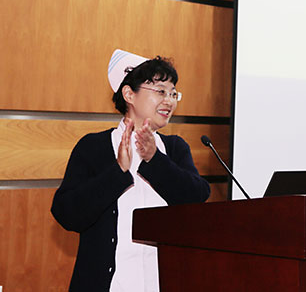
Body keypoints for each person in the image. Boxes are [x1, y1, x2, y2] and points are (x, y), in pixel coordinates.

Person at [51, 50, 210, 292]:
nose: (169, 101)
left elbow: (197, 199)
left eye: (173, 93)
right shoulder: (93, 147)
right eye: (160, 91)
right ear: (129, 94)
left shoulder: (175, 149)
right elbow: (67, 214)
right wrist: (117, 172)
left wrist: (155, 160)